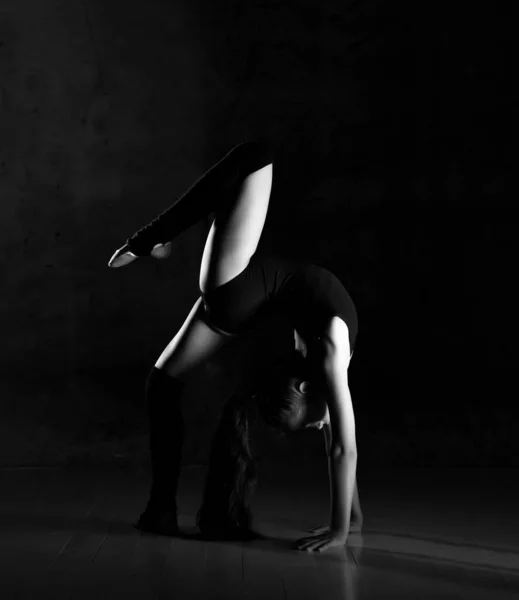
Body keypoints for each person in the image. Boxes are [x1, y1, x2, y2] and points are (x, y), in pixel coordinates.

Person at [108, 141, 363, 553]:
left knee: (162, 383)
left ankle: (161, 510)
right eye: (313, 422)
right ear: (302, 389)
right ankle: (149, 238)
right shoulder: (332, 354)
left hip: (240, 297)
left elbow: (337, 440)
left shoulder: (319, 370)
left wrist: (352, 518)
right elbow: (342, 448)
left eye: (313, 423)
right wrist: (342, 529)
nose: (321, 424)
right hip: (239, 295)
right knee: (256, 152)